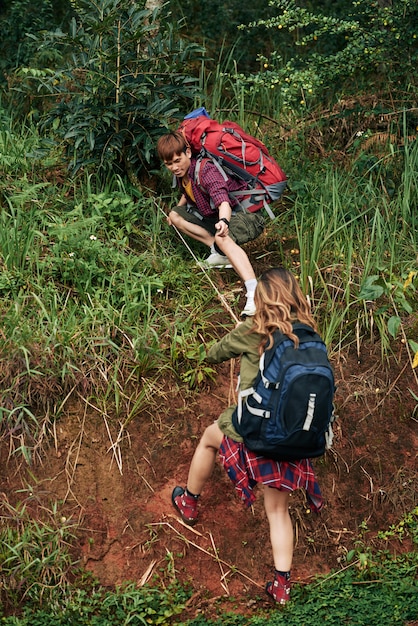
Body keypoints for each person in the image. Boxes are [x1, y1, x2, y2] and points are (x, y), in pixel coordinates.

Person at [171, 267, 324, 605]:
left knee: (210, 437)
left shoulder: (253, 330)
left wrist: (241, 327)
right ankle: (282, 586)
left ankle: (189, 500)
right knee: (278, 510)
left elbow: (214, 353)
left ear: (262, 300)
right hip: (292, 435)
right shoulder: (308, 333)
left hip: (253, 430)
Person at [157, 131, 266, 317]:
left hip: (247, 215)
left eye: (177, 160)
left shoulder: (206, 170)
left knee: (222, 238)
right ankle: (219, 253)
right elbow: (187, 191)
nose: (174, 167)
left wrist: (223, 222)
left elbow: (223, 200)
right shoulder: (183, 173)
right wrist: (176, 210)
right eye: (169, 164)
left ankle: (254, 292)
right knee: (175, 216)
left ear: (188, 153)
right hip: (216, 215)